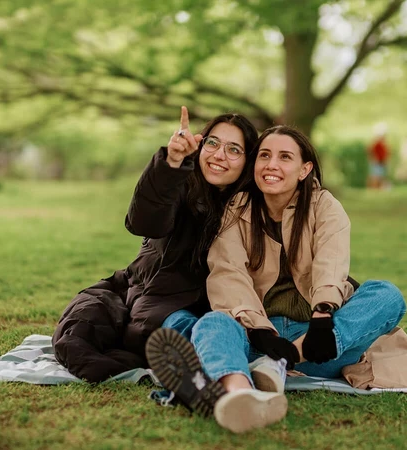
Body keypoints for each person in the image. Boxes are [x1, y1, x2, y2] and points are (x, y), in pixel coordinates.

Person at [147, 125, 407, 433]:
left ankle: (277, 364)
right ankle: (240, 396)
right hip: (260, 337)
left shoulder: (324, 206)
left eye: (285, 157)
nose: (271, 164)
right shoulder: (239, 207)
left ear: (304, 169)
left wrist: (322, 316)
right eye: (264, 155)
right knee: (210, 323)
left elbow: (331, 263)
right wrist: (260, 331)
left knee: (386, 294)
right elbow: (227, 271)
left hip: (319, 342)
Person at [51, 107, 259, 382]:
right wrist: (171, 163)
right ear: (200, 145)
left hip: (183, 305)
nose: (219, 155)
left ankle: (194, 370)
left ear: (247, 160)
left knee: (153, 333)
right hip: (132, 285)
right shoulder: (179, 182)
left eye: (234, 150)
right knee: (78, 329)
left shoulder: (247, 210)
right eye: (213, 143)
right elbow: (143, 223)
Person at [367, 123, 390, 189]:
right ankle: (374, 188)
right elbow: (371, 152)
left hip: (382, 162)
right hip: (377, 162)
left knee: (380, 175)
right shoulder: (376, 143)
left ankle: (379, 187)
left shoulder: (383, 143)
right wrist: (374, 159)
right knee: (376, 176)